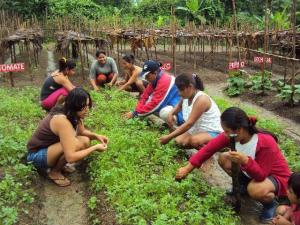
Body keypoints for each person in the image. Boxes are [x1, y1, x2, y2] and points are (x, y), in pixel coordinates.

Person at [175, 107, 291, 222]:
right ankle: (243, 186)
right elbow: (208, 150)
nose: (224, 134)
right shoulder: (232, 136)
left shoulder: (265, 142)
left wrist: (246, 161)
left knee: (255, 189)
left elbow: (261, 175)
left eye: (226, 131)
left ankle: (270, 204)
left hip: (275, 177)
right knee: (224, 158)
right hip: (252, 173)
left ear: (239, 130)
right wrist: (187, 168)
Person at [27, 88, 108, 187]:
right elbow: (71, 157)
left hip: (49, 149)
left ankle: (59, 165)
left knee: (85, 140)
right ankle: (54, 172)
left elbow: (81, 131)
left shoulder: (71, 112)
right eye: (83, 107)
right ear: (74, 106)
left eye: (87, 105)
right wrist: (94, 148)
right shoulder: (62, 120)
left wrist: (96, 136)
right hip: (36, 156)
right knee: (78, 144)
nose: (87, 110)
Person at [159, 73, 223, 148]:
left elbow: (189, 124)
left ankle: (212, 154)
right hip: (197, 129)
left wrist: (169, 137)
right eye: (178, 90)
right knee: (178, 142)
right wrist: (171, 113)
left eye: (181, 90)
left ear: (190, 87)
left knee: (194, 141)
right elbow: (179, 106)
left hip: (213, 132)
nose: (179, 93)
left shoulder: (201, 99)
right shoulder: (186, 96)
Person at [124, 60, 183, 125]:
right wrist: (136, 111)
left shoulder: (165, 81)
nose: (146, 78)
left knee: (164, 113)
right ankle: (169, 122)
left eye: (147, 76)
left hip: (179, 109)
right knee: (148, 103)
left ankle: (176, 125)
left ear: (155, 73)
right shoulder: (154, 80)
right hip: (169, 103)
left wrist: (135, 114)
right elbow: (144, 97)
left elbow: (156, 104)